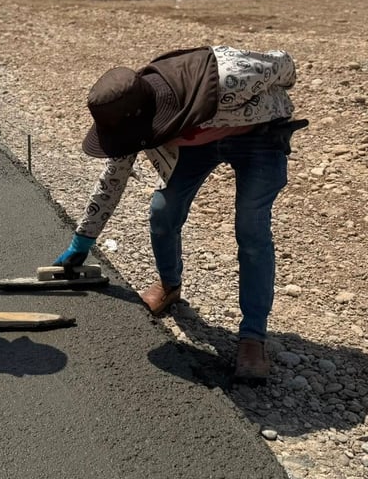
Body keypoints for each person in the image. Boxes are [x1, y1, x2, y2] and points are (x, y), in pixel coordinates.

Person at [54, 45, 306, 384]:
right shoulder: (131, 114)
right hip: (194, 143)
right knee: (163, 213)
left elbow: (285, 66)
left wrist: (262, 107)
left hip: (257, 136)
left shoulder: (231, 78)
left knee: (251, 228)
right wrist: (83, 239)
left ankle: (252, 337)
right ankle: (170, 286)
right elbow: (114, 178)